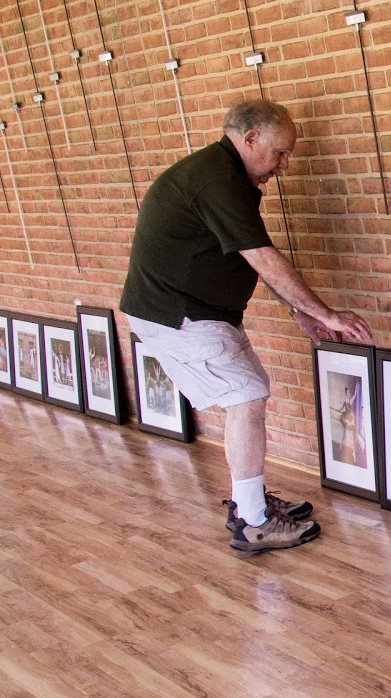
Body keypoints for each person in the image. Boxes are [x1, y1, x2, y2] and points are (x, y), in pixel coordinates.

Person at [120, 98, 372, 553]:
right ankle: (254, 520)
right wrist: (326, 314)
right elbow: (262, 256)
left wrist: (298, 311)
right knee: (246, 397)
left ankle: (249, 502)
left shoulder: (225, 176)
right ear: (251, 138)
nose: (285, 165)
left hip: (199, 312)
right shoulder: (215, 179)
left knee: (251, 392)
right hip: (177, 313)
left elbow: (247, 256)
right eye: (281, 152)